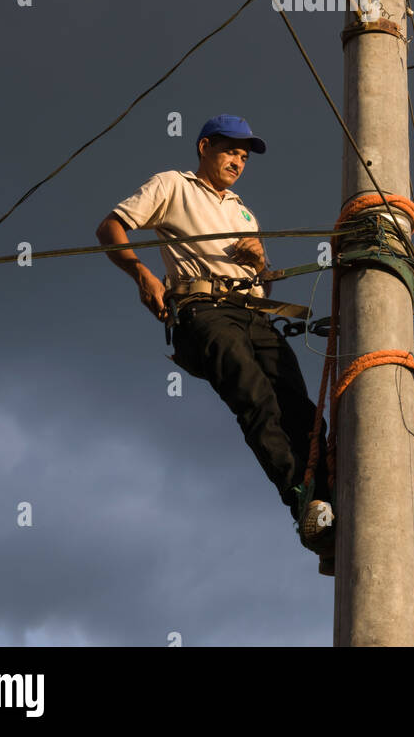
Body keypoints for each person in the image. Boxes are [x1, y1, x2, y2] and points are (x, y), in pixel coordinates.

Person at [95, 113, 335, 571]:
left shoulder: (244, 210)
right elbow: (110, 227)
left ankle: (327, 510)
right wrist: (141, 273)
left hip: (254, 313)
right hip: (204, 311)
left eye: (244, 156)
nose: (238, 162)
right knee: (256, 400)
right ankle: (302, 503)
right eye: (231, 151)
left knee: (305, 414)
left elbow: (260, 275)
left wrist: (260, 258)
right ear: (205, 147)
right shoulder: (173, 185)